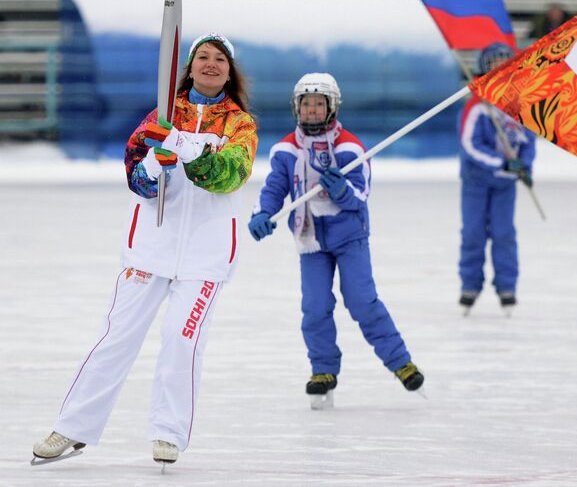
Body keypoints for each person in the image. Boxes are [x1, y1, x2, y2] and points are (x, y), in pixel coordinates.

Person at [32, 33, 258, 466]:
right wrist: (154, 164)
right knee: (116, 337)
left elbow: (231, 174)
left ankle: (168, 433)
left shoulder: (238, 124)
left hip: (204, 256)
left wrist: (188, 151)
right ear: (190, 67)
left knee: (181, 339)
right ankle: (73, 427)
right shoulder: (162, 114)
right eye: (203, 58)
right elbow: (135, 172)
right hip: (150, 248)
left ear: (230, 72)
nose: (211, 65)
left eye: (220, 60)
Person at [248, 72, 423, 409]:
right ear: (296, 108)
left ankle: (400, 361)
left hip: (349, 236)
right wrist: (262, 213)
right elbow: (273, 189)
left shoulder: (350, 148)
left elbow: (360, 195)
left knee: (362, 300)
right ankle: (323, 370)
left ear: (331, 107)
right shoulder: (286, 150)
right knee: (315, 307)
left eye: (318, 104)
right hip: (310, 238)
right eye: (306, 104)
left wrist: (342, 191)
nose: (312, 110)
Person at [458, 42, 536, 313]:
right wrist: (502, 162)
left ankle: (507, 286)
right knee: (473, 233)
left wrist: (524, 167)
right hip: (476, 181)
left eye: (505, 62)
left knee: (504, 233)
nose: (500, 67)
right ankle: (470, 284)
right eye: (494, 63)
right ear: (485, 67)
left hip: (505, 185)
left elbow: (528, 141)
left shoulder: (519, 102)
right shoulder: (477, 104)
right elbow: (470, 144)